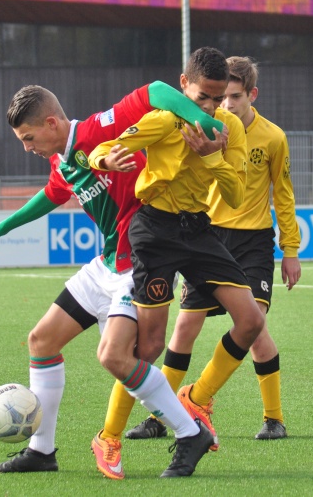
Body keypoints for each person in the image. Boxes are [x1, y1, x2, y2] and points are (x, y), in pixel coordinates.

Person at [0, 81, 220, 478]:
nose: (26, 147)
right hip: (107, 264)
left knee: (116, 357)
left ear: (51, 123)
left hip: (140, 262)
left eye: (29, 138)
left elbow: (155, 92)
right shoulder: (61, 161)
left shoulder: (102, 128)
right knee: (41, 341)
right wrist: (1, 227)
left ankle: (190, 432)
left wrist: (200, 118)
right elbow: (51, 194)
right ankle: (40, 451)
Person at [88, 47, 265, 463]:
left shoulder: (227, 130)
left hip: (199, 230)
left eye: (219, 99)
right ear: (182, 86)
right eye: (202, 97)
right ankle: (108, 437)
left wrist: (214, 156)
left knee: (251, 321)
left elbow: (237, 195)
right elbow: (100, 149)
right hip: (154, 232)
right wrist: (106, 159)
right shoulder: (163, 120)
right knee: (148, 349)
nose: (211, 108)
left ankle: (197, 398)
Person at [126, 56, 301, 442]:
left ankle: (269, 416)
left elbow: (283, 195)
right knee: (185, 326)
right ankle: (160, 415)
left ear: (250, 94)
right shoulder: (198, 122)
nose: (224, 106)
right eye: (220, 97)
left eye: (233, 97)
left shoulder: (272, 137)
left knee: (255, 324)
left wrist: (291, 249)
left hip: (253, 240)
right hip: (207, 233)